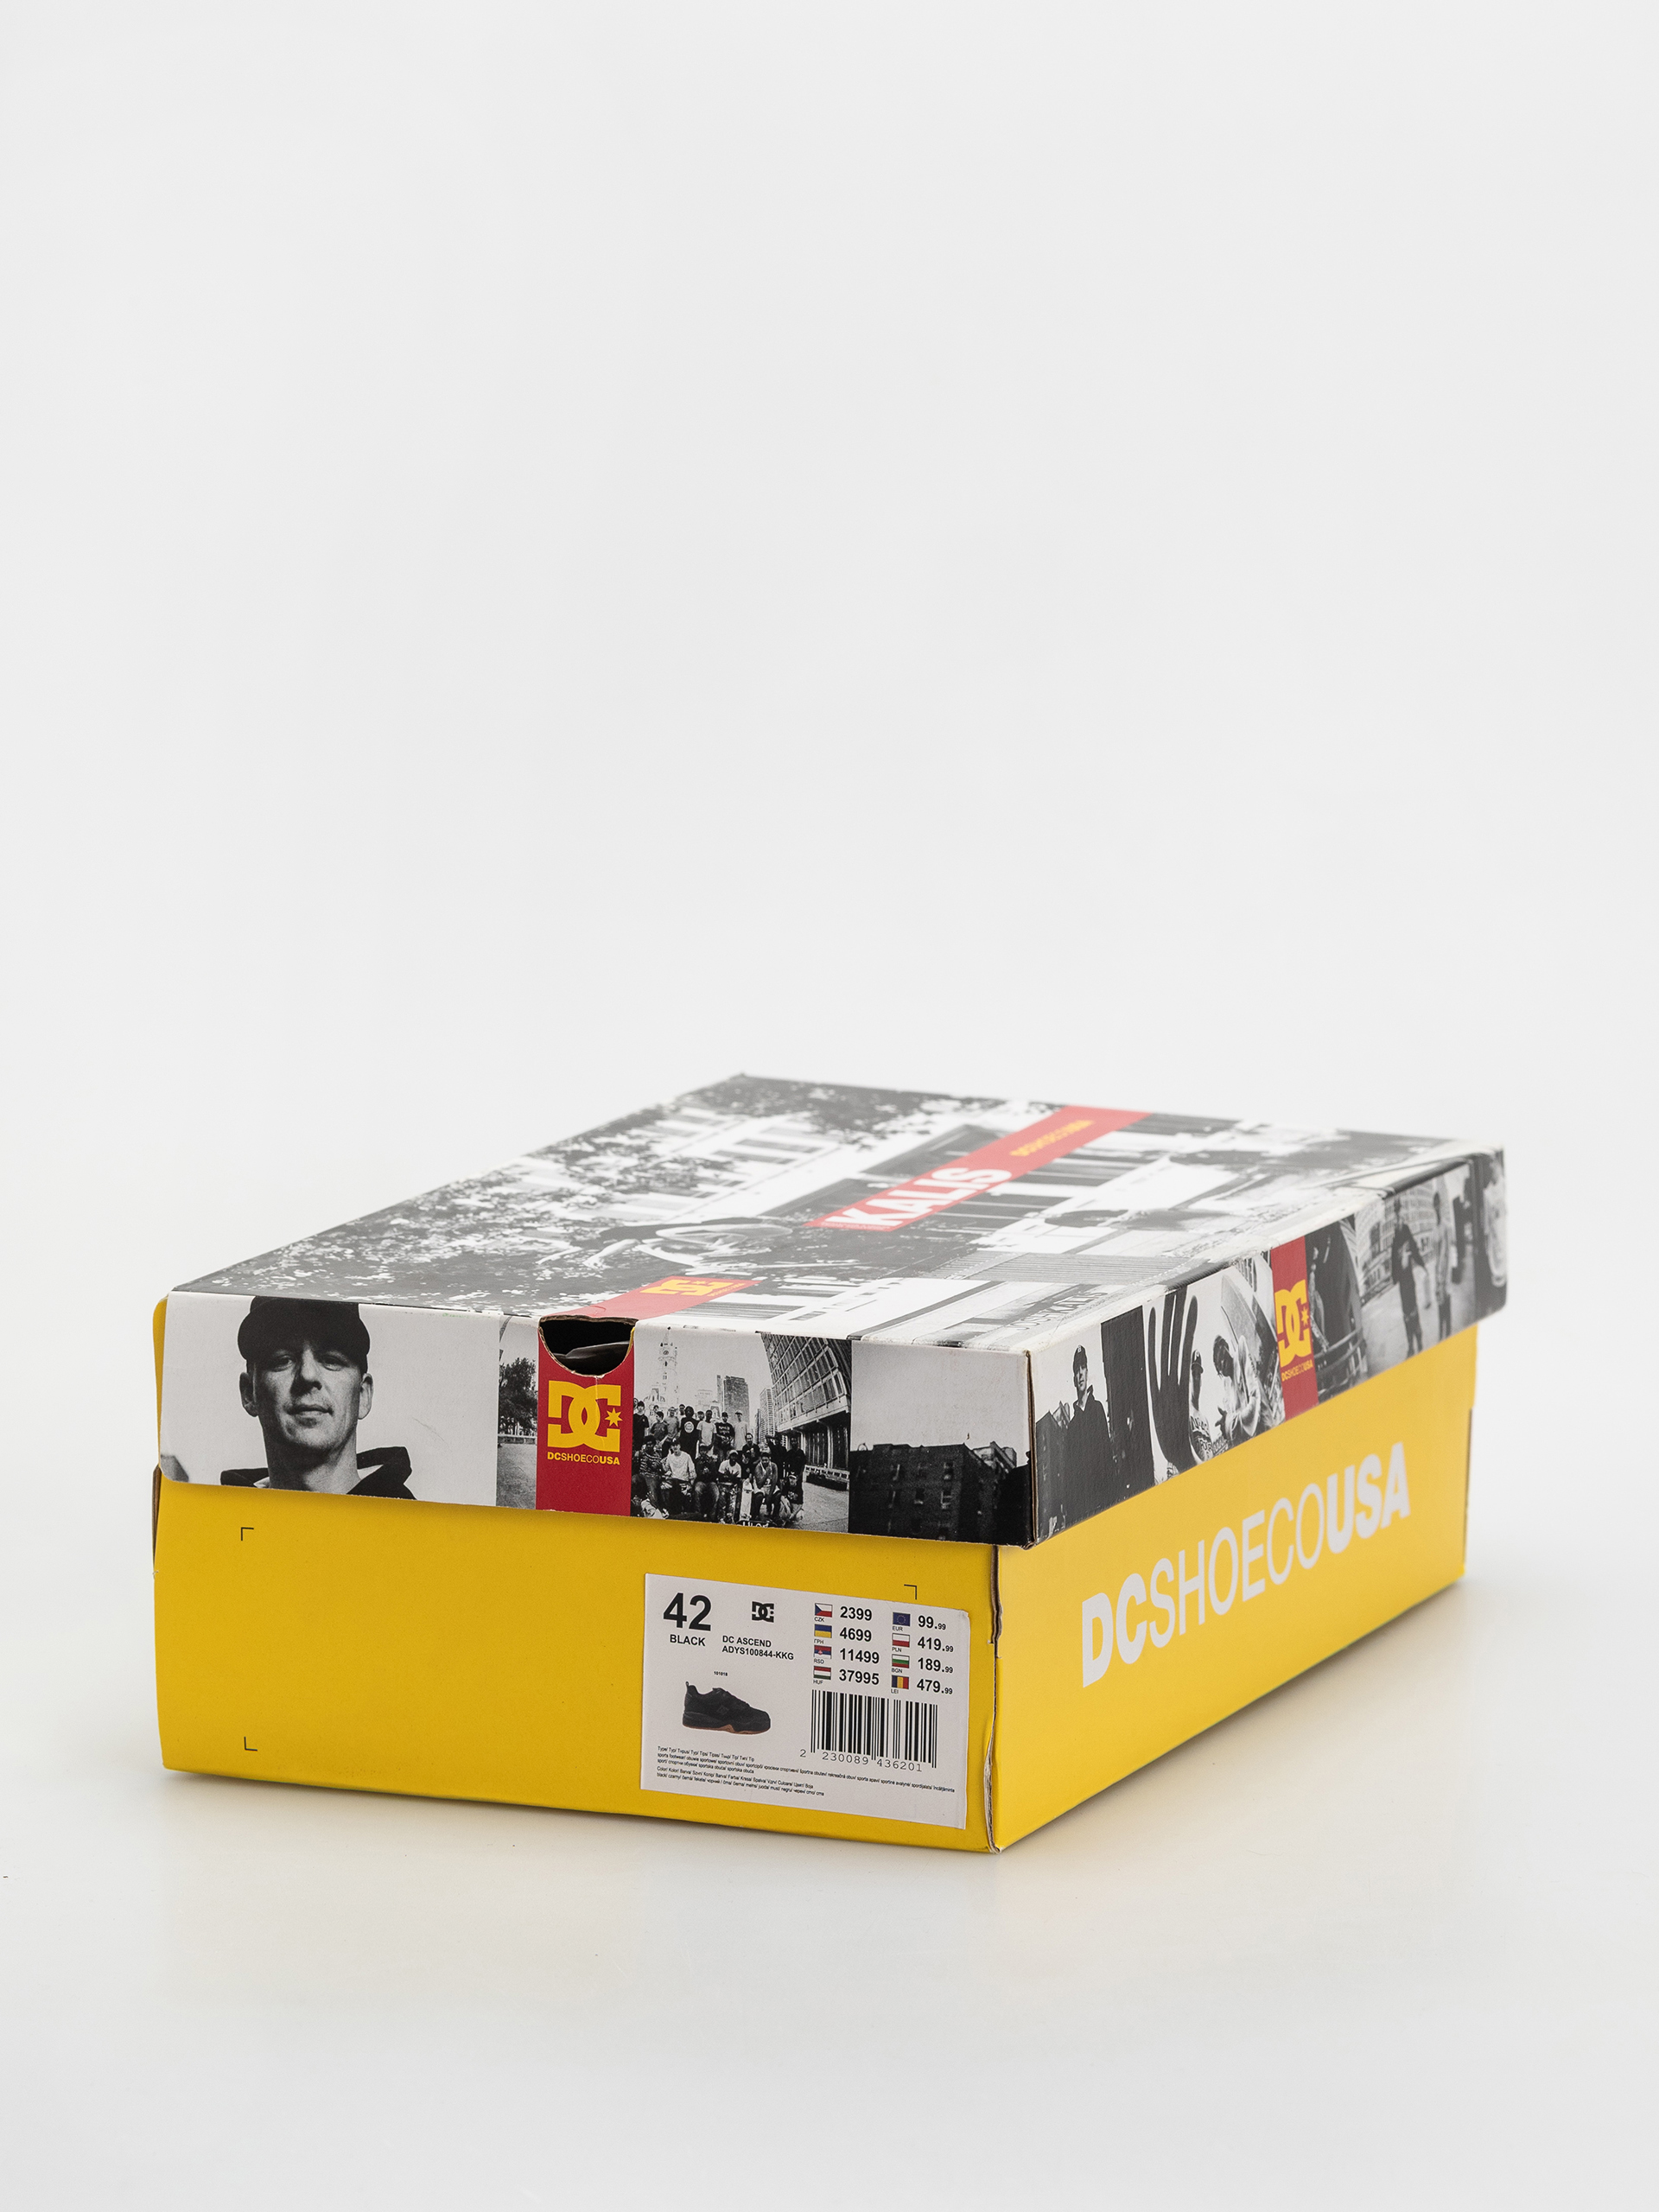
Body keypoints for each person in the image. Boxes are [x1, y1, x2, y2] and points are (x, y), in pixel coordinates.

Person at [219, 1297, 414, 1497]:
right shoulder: (216, 1516)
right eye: (282, 1360)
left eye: (331, 1360)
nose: (307, 1375)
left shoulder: (414, 1517)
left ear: (363, 1395)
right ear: (249, 1393)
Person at [1061, 1343, 1111, 1523]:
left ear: (1088, 1372)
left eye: (1083, 1368)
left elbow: (1106, 1456)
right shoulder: (1072, 1426)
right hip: (1080, 1512)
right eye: (1077, 1370)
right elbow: (1069, 1473)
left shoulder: (1097, 1409)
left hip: (1101, 1504)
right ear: (1074, 1379)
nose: (1080, 1373)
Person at [1390, 1200, 1426, 1357]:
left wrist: (1421, 1263)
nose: (1398, 1221)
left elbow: (1415, 1249)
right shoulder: (1394, 1241)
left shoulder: (1406, 1232)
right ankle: (1410, 1345)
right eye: (1396, 1218)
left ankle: (1419, 1340)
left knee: (1413, 1311)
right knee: (1406, 1314)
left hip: (1409, 1281)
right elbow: (1393, 1262)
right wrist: (1396, 1274)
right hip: (1402, 1285)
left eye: (1399, 1217)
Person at [1430, 1190, 1453, 1342]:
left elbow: (1446, 1253)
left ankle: (1448, 1336)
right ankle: (1441, 1335)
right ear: (1433, 1207)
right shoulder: (1434, 1230)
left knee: (1447, 1307)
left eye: (1438, 1204)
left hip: (1445, 1274)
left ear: (1441, 1205)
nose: (1437, 1208)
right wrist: (1436, 1279)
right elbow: (1435, 1255)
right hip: (1438, 1274)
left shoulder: (1446, 1227)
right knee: (1440, 1307)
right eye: (1435, 1205)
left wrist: (1442, 1278)